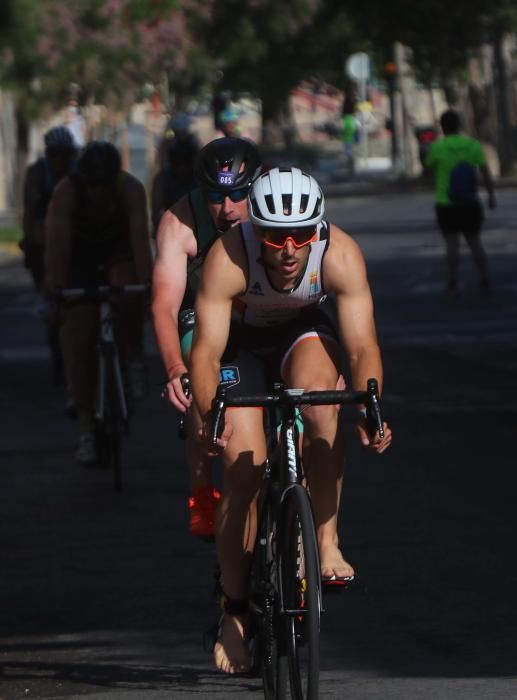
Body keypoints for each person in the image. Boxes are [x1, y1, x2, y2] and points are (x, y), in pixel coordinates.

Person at [190, 167, 393, 673]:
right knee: (243, 467)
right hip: (240, 345)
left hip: (302, 334)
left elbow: (363, 345)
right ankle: (235, 612)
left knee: (324, 404)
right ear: (253, 230)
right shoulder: (228, 258)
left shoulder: (340, 253)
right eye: (275, 236)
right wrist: (213, 415)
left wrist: (370, 406)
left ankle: (326, 540)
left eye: (301, 235)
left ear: (317, 230)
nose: (287, 248)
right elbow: (208, 352)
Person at [151, 137, 262, 539]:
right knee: (198, 383)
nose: (228, 207)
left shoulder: (274, 210)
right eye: (216, 195)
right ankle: (202, 491)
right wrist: (175, 368)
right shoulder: (178, 223)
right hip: (199, 314)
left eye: (238, 194)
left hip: (258, 310)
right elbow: (163, 305)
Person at [45, 140, 153, 465]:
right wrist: (58, 292)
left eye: (102, 186)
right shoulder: (66, 192)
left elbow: (139, 242)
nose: (96, 193)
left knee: (128, 286)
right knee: (78, 333)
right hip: (79, 258)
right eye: (90, 186)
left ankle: (132, 355)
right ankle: (86, 428)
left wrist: (147, 287)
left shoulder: (130, 190)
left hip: (116, 251)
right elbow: (58, 248)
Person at [426, 109, 496, 295]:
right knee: (475, 242)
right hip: (470, 202)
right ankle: (484, 277)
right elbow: (485, 172)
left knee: (451, 243)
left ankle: (452, 280)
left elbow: (429, 169)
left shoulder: (438, 147)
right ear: (459, 125)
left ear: (442, 126)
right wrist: (490, 195)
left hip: (446, 203)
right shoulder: (472, 145)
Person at [21, 126, 78, 293]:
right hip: (44, 220)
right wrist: (28, 238)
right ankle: (43, 287)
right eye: (54, 154)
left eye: (65, 154)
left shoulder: (78, 170)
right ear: (47, 153)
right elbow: (29, 208)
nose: (60, 159)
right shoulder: (36, 172)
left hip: (71, 217)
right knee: (36, 238)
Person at [151, 132, 199, 235]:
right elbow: (156, 211)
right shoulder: (162, 179)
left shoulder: (201, 178)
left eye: (186, 163)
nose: (182, 168)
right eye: (178, 163)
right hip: (171, 229)